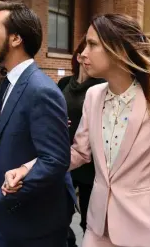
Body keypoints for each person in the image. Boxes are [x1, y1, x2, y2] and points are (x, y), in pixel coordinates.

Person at [2, 13, 150, 247]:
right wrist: (29, 168)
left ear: (117, 49)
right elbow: (79, 152)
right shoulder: (93, 96)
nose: (83, 53)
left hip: (142, 230)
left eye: (92, 44)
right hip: (96, 227)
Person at [0, 2, 76, 247]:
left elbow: (55, 161)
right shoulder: (9, 83)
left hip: (37, 225)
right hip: (12, 220)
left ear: (16, 38)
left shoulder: (40, 90)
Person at [58, 38, 105, 247]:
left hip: (90, 164)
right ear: (77, 57)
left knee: (89, 219)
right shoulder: (63, 84)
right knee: (60, 213)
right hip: (66, 157)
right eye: (83, 52)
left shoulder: (99, 88)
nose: (86, 56)